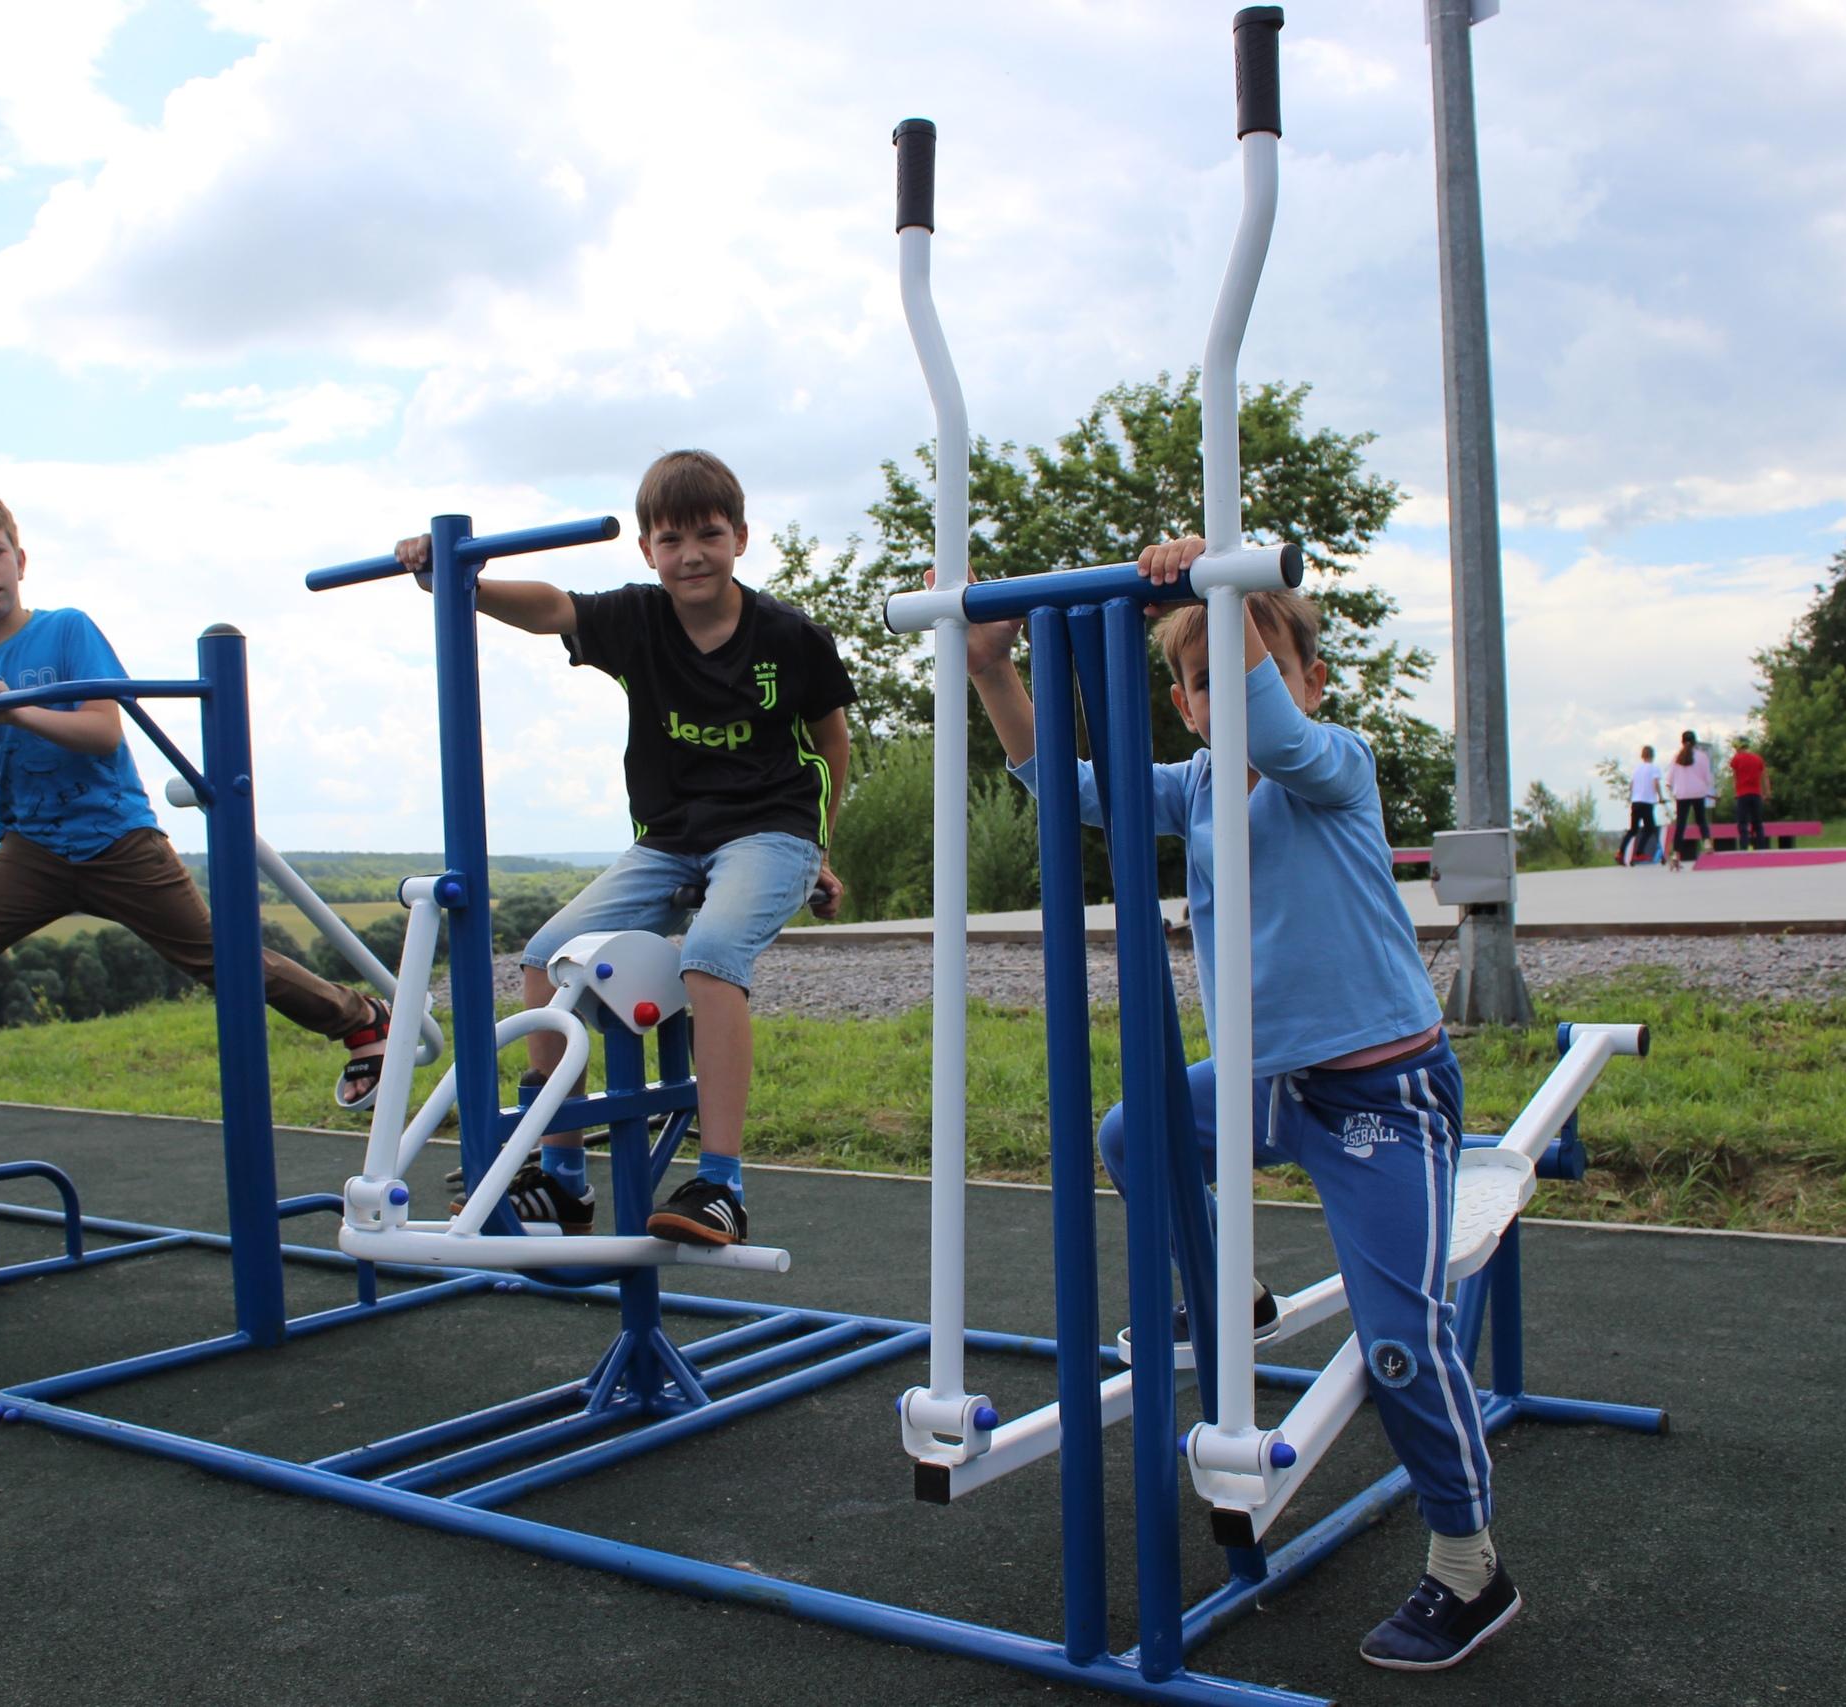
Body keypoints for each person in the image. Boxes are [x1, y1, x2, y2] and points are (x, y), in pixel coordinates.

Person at [966, 539, 1514, 1673]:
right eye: (1202, 675)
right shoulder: (1197, 784)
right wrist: (991, 675)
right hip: (1268, 1088)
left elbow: (1272, 730)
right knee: (1135, 1134)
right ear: (1179, 705)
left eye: (1250, 660)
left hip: (1380, 1093)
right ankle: (1233, 1291)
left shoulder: (1333, 766)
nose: (1225, 688)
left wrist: (1220, 589)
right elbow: (1068, 790)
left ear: (1309, 682)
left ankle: (1470, 1565)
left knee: (1401, 1339)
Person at [0, 488, 389, 1176]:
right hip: (31, 848)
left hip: (114, 837)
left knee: (217, 958)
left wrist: (14, 711)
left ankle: (359, 1018)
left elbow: (104, 731)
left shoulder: (66, 630)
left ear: (20, 560)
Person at [393, 449, 853, 1247]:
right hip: (671, 839)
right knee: (546, 954)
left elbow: (831, 738)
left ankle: (722, 1182)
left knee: (709, 952)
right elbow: (553, 608)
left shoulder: (789, 636)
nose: (691, 554)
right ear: (648, 551)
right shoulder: (639, 619)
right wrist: (461, 583)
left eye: (708, 534)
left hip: (772, 829)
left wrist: (819, 845)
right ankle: (564, 1180)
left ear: (741, 537)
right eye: (671, 539)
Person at [1664, 731, 1712, 868]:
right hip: (1698, 792)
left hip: (1682, 794)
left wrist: (1673, 791)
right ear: (1695, 742)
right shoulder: (1702, 757)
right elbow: (1707, 778)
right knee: (1701, 820)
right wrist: (1705, 787)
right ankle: (1707, 842)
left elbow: (1669, 780)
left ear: (1682, 742)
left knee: (1681, 824)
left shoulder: (1676, 757)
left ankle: (1675, 855)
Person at [1616, 743, 1660, 865]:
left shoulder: (1637, 769)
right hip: (1647, 802)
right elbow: (1656, 783)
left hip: (1636, 802)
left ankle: (1620, 852)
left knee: (1633, 830)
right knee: (1649, 828)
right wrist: (1660, 797)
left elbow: (1631, 785)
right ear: (1653, 755)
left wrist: (1632, 797)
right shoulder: (1654, 768)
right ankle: (1639, 853)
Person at [1728, 737, 1769, 851]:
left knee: (1742, 823)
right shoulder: (1758, 758)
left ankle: (1744, 848)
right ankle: (1761, 849)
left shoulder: (1736, 759)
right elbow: (1764, 777)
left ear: (1739, 747)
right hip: (1756, 794)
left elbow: (1735, 777)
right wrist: (1767, 793)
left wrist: (1736, 792)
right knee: (1757, 823)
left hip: (1742, 795)